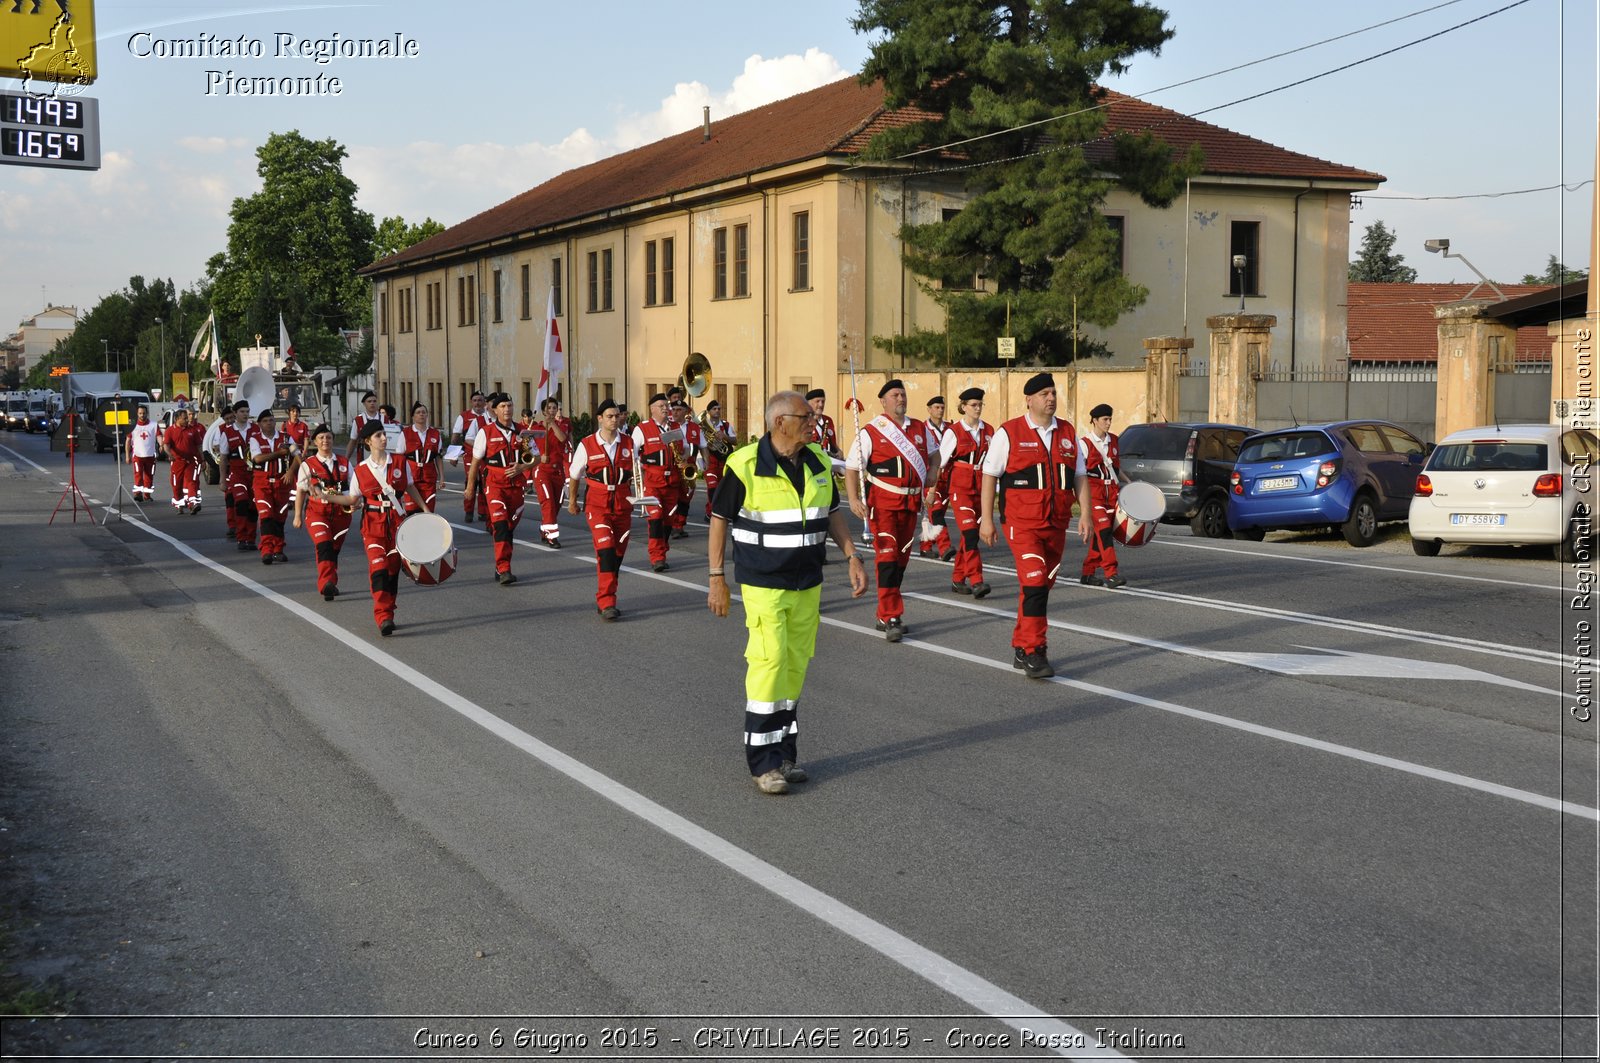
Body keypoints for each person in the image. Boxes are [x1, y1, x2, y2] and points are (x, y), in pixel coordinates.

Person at [707, 390, 868, 794]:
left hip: (807, 583)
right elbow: (719, 519)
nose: (814, 421)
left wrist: (851, 556)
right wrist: (716, 577)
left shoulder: (815, 460)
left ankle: (784, 755)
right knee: (769, 662)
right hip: (764, 584)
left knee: (795, 666)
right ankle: (762, 763)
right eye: (805, 416)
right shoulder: (743, 465)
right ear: (780, 422)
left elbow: (831, 512)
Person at [978, 372, 1091, 679]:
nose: (1051, 398)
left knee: (1038, 587)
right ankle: (1034, 651)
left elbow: (1079, 476)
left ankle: (1020, 642)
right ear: (1029, 400)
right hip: (1021, 523)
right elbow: (990, 476)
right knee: (1036, 583)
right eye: (1044, 393)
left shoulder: (1067, 432)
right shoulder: (1009, 433)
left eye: (1053, 392)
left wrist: (1086, 514)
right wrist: (986, 519)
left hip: (1056, 523)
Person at [842, 379, 939, 642]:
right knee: (887, 558)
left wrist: (932, 470)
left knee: (901, 562)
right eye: (895, 395)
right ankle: (891, 614)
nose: (901, 399)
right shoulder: (872, 431)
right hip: (883, 505)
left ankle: (885, 613)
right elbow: (852, 467)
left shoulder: (920, 428)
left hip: (911, 504)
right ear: (883, 401)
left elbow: (935, 456)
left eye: (903, 394)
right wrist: (852, 499)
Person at [316, 419, 427, 636]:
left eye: (384, 434)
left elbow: (410, 487)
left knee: (393, 570)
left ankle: (389, 610)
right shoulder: (361, 470)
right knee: (379, 568)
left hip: (397, 524)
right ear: (368, 441)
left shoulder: (400, 462)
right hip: (372, 526)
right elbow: (352, 499)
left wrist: (424, 509)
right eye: (378, 436)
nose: (384, 438)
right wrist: (326, 497)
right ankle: (383, 616)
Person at [567, 398, 634, 620]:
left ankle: (607, 591)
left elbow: (638, 473)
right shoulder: (586, 444)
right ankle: (607, 602)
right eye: (610, 416)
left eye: (617, 416)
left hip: (623, 504)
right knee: (605, 550)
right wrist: (573, 501)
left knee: (617, 554)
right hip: (597, 504)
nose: (615, 420)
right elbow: (575, 475)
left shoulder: (628, 443)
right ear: (600, 419)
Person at [466, 392, 539, 585]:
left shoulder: (523, 432)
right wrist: (470, 487)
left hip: (516, 486)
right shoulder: (486, 432)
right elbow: (475, 462)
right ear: (495, 410)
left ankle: (502, 565)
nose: (507, 409)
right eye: (503, 406)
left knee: (509, 527)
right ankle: (504, 567)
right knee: (500, 525)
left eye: (509, 405)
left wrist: (522, 467)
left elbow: (536, 458)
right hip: (495, 484)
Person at [940, 387, 993, 597]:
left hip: (981, 488)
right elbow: (941, 463)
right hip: (960, 488)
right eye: (973, 405)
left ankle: (958, 578)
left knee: (968, 538)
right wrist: (933, 491)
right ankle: (977, 580)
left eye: (980, 404)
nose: (978, 408)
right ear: (963, 407)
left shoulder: (988, 430)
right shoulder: (954, 432)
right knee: (970, 533)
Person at [292, 423, 351, 601]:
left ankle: (330, 583)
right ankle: (325, 583)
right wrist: (297, 516)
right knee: (324, 544)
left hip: (341, 515)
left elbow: (353, 491)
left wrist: (355, 503)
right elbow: (301, 492)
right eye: (321, 438)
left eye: (328, 437)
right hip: (317, 513)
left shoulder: (344, 463)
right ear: (315, 442)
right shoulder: (307, 465)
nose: (325, 440)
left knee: (332, 550)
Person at [632, 393, 685, 573]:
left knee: (668, 521)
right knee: (655, 519)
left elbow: (684, 450)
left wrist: (683, 456)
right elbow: (632, 454)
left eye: (666, 405)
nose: (665, 408)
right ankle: (657, 558)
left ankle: (662, 551)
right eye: (661, 405)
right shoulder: (642, 428)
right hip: (652, 482)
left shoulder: (675, 427)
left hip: (673, 482)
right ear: (652, 409)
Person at [1079, 402, 1127, 588]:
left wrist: (1130, 485)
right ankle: (1111, 573)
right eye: (1105, 419)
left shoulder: (1114, 440)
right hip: (1093, 492)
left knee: (1102, 534)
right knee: (1104, 530)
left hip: (1112, 492)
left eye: (1110, 419)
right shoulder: (1085, 444)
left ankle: (1088, 573)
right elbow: (1079, 473)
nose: (1108, 423)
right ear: (1095, 421)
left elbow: (1116, 468)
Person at [248, 408, 298, 564]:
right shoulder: (255, 439)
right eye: (264, 421)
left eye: (271, 420)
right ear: (259, 424)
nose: (268, 423)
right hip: (262, 482)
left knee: (279, 517)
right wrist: (279, 453)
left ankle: (278, 549)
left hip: (282, 483)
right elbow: (258, 459)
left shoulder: (286, 438)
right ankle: (266, 550)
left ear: (275, 421)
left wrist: (290, 472)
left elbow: (298, 456)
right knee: (266, 515)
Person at [529, 396, 571, 547]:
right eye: (549, 408)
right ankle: (552, 537)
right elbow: (526, 448)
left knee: (557, 504)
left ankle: (544, 529)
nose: (552, 411)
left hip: (558, 471)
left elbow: (562, 439)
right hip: (542, 471)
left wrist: (552, 423)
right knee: (548, 504)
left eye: (555, 408)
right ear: (543, 411)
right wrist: (540, 457)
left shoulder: (562, 426)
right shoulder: (537, 429)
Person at [918, 395, 955, 560]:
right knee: (936, 511)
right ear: (929, 409)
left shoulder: (950, 428)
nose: (940, 410)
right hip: (931, 475)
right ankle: (945, 547)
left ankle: (925, 547)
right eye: (936, 407)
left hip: (948, 476)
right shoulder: (922, 428)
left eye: (942, 407)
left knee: (932, 513)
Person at [219, 401, 258, 551]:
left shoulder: (255, 429)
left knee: (253, 506)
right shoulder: (227, 432)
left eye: (247, 411)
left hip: (255, 475)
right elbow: (223, 458)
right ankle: (241, 538)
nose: (245, 414)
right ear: (235, 413)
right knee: (241, 502)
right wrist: (223, 480)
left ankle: (251, 538)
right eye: (242, 411)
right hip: (237, 475)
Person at [449, 390, 491, 523]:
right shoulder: (464, 416)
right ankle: (469, 511)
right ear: (471, 402)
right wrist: (453, 455)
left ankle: (483, 512)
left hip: (485, 456)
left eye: (480, 400)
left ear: (484, 402)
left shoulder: (489, 417)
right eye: (475, 400)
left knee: (484, 483)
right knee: (471, 482)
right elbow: (456, 436)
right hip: (470, 455)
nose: (477, 403)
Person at [669, 397, 704, 538]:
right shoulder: (668, 426)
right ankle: (673, 525)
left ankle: (680, 525)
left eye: (679, 410)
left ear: (686, 412)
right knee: (673, 497)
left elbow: (703, 446)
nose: (675, 413)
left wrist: (705, 463)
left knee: (686, 497)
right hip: (673, 466)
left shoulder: (695, 427)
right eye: (674, 410)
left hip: (689, 467)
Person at [401, 401, 444, 513]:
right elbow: (399, 457)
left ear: (427, 415)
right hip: (411, 477)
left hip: (429, 478)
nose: (421, 414)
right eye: (418, 412)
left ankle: (427, 530)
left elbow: (438, 457)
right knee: (412, 510)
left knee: (428, 510)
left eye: (424, 412)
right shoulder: (405, 433)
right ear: (413, 416)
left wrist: (442, 478)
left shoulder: (435, 433)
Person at [162, 406, 205, 513]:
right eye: (184, 418)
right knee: (177, 485)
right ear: (177, 419)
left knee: (192, 482)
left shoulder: (192, 430)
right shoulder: (170, 431)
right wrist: (169, 454)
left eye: (187, 418)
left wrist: (203, 459)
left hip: (191, 461)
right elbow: (166, 445)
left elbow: (199, 446)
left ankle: (192, 504)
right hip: (177, 462)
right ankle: (180, 505)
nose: (187, 420)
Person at [700, 398, 736, 521]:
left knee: (722, 488)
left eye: (719, 409)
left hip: (724, 461)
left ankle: (711, 511)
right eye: (714, 409)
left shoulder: (726, 425)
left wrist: (724, 436)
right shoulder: (704, 427)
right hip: (711, 461)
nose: (717, 411)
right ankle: (713, 512)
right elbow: (700, 443)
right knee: (712, 486)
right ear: (709, 411)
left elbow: (735, 440)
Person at [126, 404, 160, 502]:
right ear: (137, 414)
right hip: (137, 455)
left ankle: (147, 495)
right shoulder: (132, 426)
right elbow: (128, 441)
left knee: (149, 475)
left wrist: (161, 445)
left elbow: (159, 436)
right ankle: (138, 494)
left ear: (147, 413)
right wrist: (127, 456)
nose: (142, 415)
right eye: (140, 413)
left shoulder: (153, 425)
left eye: (144, 413)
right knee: (138, 475)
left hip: (150, 455)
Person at [347, 391, 383, 464]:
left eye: (374, 401)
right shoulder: (358, 420)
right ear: (364, 404)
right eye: (369, 401)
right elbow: (353, 441)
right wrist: (346, 459)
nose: (372, 403)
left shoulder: (384, 419)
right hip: (364, 453)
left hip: (381, 454)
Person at [806, 388, 840, 457]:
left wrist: (839, 451)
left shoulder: (828, 420)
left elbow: (833, 443)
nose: (821, 405)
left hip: (829, 459)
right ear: (809, 403)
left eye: (823, 401)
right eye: (817, 401)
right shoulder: (804, 421)